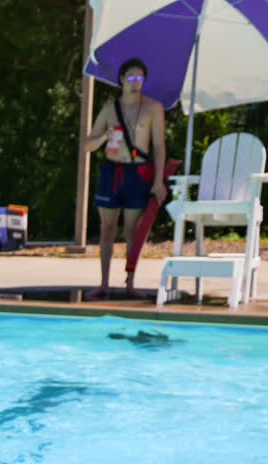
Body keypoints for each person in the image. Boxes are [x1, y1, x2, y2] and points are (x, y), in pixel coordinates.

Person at [81, 57, 167, 297]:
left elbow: (159, 146)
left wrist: (158, 179)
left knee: (133, 229)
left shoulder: (153, 108)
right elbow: (88, 144)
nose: (135, 83)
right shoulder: (110, 109)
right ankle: (104, 283)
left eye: (140, 78)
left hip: (137, 173)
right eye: (131, 77)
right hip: (112, 171)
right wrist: (103, 138)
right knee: (107, 228)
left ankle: (130, 282)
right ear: (121, 79)